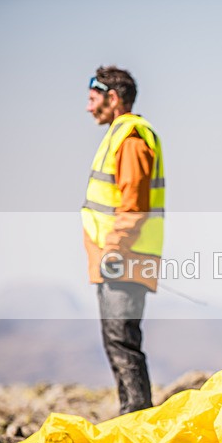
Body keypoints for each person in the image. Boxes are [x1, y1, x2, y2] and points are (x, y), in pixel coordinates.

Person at [82, 66, 165, 415]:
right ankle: (132, 418)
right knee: (118, 342)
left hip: (124, 258)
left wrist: (114, 249)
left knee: (123, 343)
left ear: (112, 98)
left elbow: (134, 203)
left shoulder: (130, 138)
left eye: (92, 99)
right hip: (118, 259)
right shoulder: (119, 135)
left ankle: (136, 420)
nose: (88, 108)